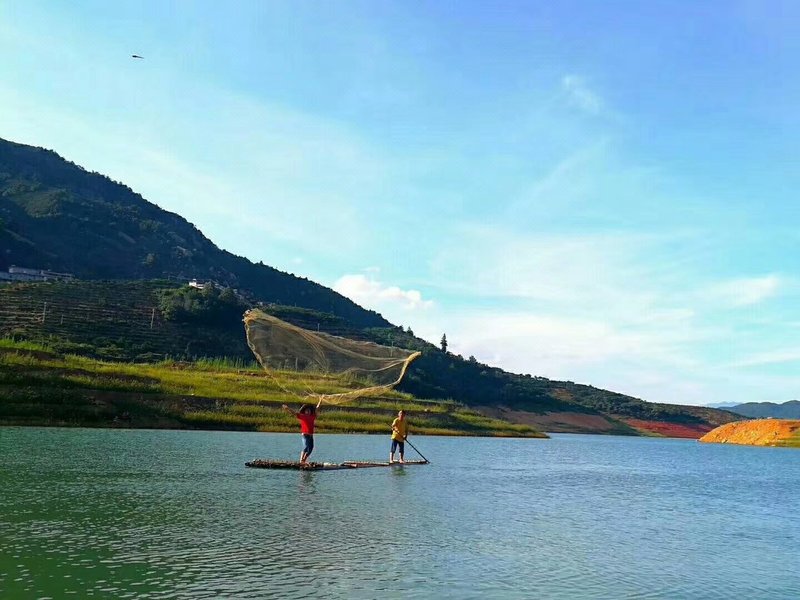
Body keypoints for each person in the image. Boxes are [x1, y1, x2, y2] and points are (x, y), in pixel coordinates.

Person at [282, 398, 323, 464]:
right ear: (304, 411)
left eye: (309, 410)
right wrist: (287, 408)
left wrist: (320, 401)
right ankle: (301, 461)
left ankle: (304, 460)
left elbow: (317, 408)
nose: (308, 411)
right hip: (305, 435)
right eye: (307, 410)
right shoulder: (302, 416)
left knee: (310, 449)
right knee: (306, 447)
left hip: (311, 435)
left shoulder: (313, 416)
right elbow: (294, 413)